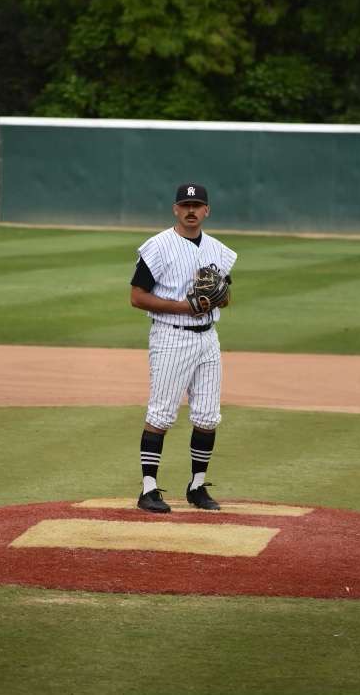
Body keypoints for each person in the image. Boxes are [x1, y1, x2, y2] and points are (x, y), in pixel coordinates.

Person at [130, 183, 237, 513]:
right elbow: (137, 296)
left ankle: (197, 486)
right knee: (161, 414)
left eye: (198, 205)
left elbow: (226, 296)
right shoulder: (159, 247)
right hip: (171, 336)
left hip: (208, 339)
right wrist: (184, 306)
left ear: (207, 211)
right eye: (185, 204)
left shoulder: (219, 250)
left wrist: (217, 297)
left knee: (207, 416)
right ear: (176, 209)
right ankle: (148, 489)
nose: (191, 210)